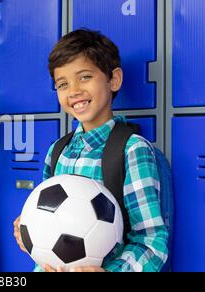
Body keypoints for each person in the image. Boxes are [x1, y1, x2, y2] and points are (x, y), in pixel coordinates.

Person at [13, 29, 168, 272]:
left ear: (113, 80)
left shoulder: (132, 150)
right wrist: (29, 229)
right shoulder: (57, 150)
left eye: (84, 77)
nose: (73, 90)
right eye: (62, 84)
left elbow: (151, 243)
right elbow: (47, 219)